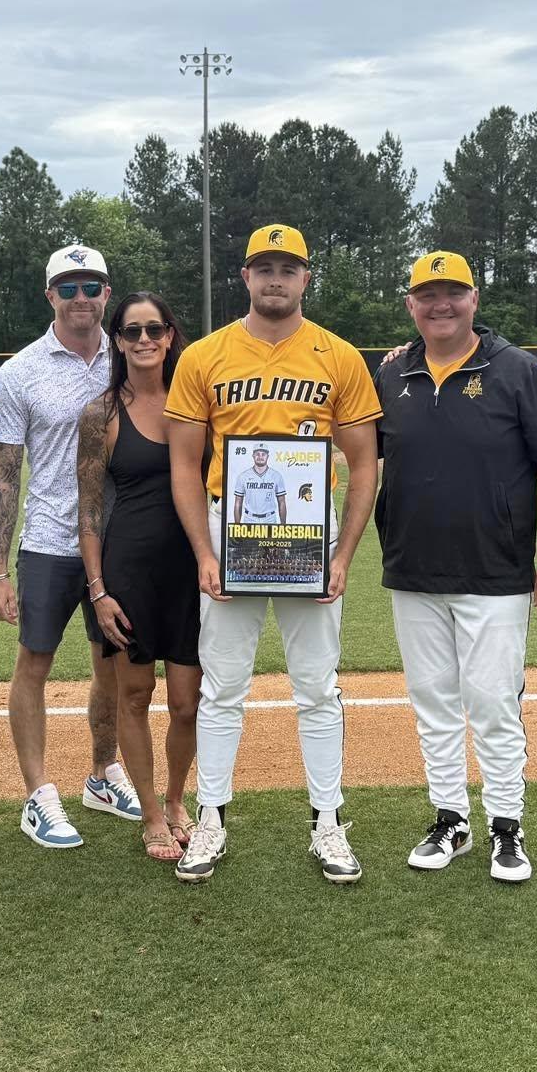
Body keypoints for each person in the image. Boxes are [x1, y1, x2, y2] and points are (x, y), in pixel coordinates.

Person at [165, 224, 382, 885]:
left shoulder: (337, 355)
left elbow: (364, 461)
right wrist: (204, 549)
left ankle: (326, 822)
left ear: (306, 277)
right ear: (246, 276)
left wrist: (342, 555)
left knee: (317, 686)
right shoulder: (204, 355)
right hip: (232, 529)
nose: (275, 278)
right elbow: (182, 464)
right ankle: (211, 818)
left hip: (307, 533)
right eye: (264, 266)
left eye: (288, 267)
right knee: (223, 685)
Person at [376, 252, 537, 884]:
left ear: (474, 298)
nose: (440, 305)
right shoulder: (392, 374)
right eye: (426, 295)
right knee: (433, 702)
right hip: (413, 568)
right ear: (410, 304)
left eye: (453, 293)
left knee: (493, 702)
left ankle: (507, 827)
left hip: (495, 570)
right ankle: (450, 819)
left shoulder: (517, 370)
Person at [0, 245, 140, 850]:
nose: (82, 298)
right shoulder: (19, 371)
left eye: (92, 286)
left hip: (118, 540)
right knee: (36, 662)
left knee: (113, 664)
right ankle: (38, 794)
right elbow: (4, 475)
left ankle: (102, 773)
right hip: (49, 540)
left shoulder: (132, 357)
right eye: (69, 287)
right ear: (50, 295)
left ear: (107, 292)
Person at [75, 292, 202, 862]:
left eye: (155, 329)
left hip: (192, 569)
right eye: (132, 331)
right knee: (134, 694)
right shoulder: (101, 413)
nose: (145, 340)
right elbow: (89, 511)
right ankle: (151, 812)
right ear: (118, 340)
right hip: (127, 570)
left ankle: (178, 800)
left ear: (171, 334)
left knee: (186, 702)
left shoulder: (196, 401)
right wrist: (98, 590)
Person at [235, 445, 287, 523]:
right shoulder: (243, 476)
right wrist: (237, 526)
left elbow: (282, 502)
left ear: (268, 456)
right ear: (253, 456)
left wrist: (283, 525)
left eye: (263, 454)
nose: (260, 457)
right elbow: (238, 502)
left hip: (269, 518)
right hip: (250, 518)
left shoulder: (276, 475)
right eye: (257, 454)